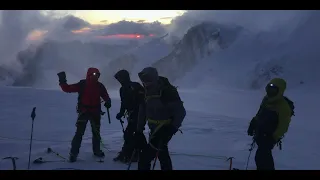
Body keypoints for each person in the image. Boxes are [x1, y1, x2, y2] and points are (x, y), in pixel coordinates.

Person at [135, 67, 186, 170]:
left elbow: (180, 112)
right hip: (154, 129)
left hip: (164, 129)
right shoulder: (145, 92)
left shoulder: (166, 91)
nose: (146, 83)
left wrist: (171, 129)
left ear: (154, 78)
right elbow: (142, 112)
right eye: (144, 81)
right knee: (162, 152)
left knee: (145, 157)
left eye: (148, 80)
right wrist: (139, 130)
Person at [57, 67, 111, 162]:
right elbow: (67, 88)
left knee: (95, 133)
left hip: (93, 112)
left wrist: (108, 101)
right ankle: (74, 154)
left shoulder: (99, 86)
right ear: (89, 75)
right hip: (85, 111)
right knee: (80, 133)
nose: (96, 76)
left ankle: (95, 151)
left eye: (97, 75)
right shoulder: (83, 84)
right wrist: (62, 80)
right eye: (94, 74)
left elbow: (105, 95)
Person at [247, 78, 293, 170]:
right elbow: (260, 113)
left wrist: (274, 137)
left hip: (269, 136)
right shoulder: (266, 99)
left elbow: (284, 126)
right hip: (260, 133)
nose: (271, 91)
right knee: (262, 157)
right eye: (270, 89)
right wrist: (253, 123)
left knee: (261, 156)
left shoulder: (283, 106)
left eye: (274, 89)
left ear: (280, 90)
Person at [113, 69, 146, 163]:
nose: (119, 81)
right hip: (131, 114)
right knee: (134, 133)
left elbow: (142, 102)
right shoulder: (122, 89)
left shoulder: (135, 86)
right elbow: (123, 103)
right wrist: (121, 113)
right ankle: (137, 152)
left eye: (119, 78)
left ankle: (131, 153)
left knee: (130, 133)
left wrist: (140, 115)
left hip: (138, 114)